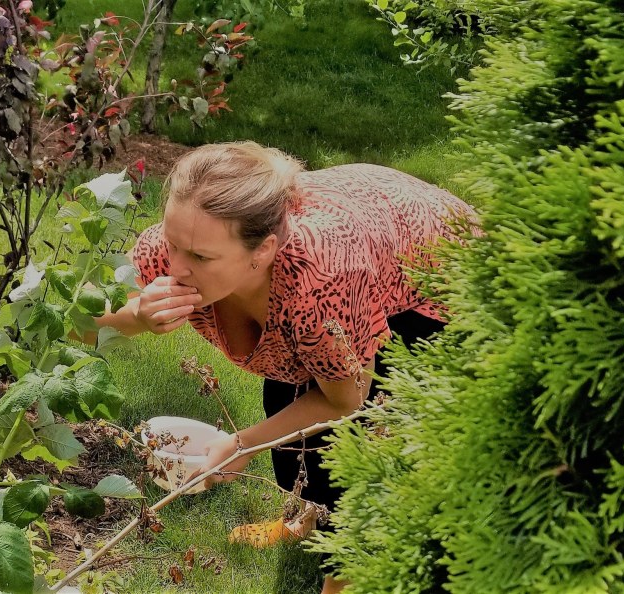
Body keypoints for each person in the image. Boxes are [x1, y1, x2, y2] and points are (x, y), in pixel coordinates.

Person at [91, 141, 475, 594]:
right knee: (288, 409)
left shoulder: (321, 279)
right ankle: (308, 519)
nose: (175, 267)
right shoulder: (186, 244)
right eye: (173, 244)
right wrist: (136, 316)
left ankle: (348, 570)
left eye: (200, 257)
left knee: (361, 458)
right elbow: (83, 319)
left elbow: (346, 401)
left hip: (439, 283)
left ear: (264, 249)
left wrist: (242, 444)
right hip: (359, 241)